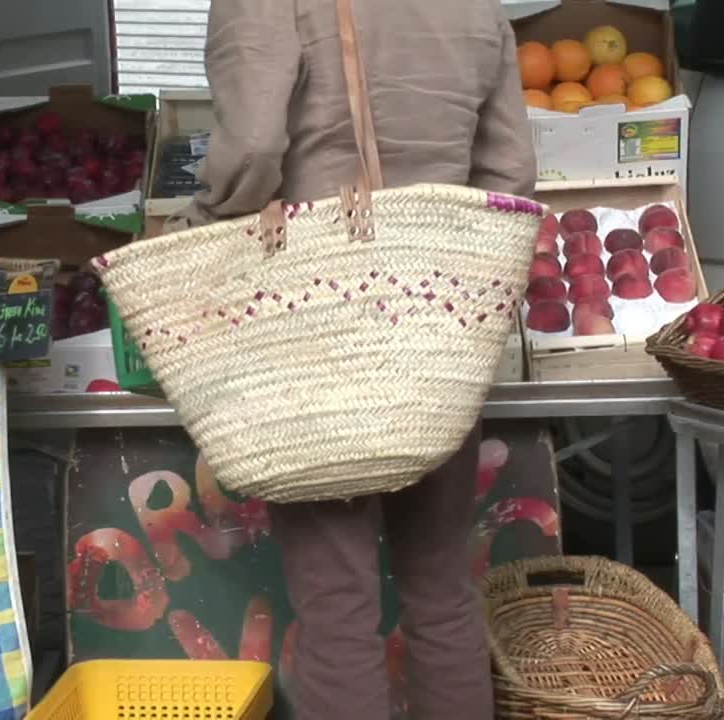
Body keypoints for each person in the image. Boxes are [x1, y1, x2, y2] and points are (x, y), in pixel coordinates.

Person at [179, 0, 537, 716]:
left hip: (314, 318)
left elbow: (251, 146)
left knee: (338, 605)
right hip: (440, 318)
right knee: (441, 592)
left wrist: (205, 222)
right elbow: (511, 170)